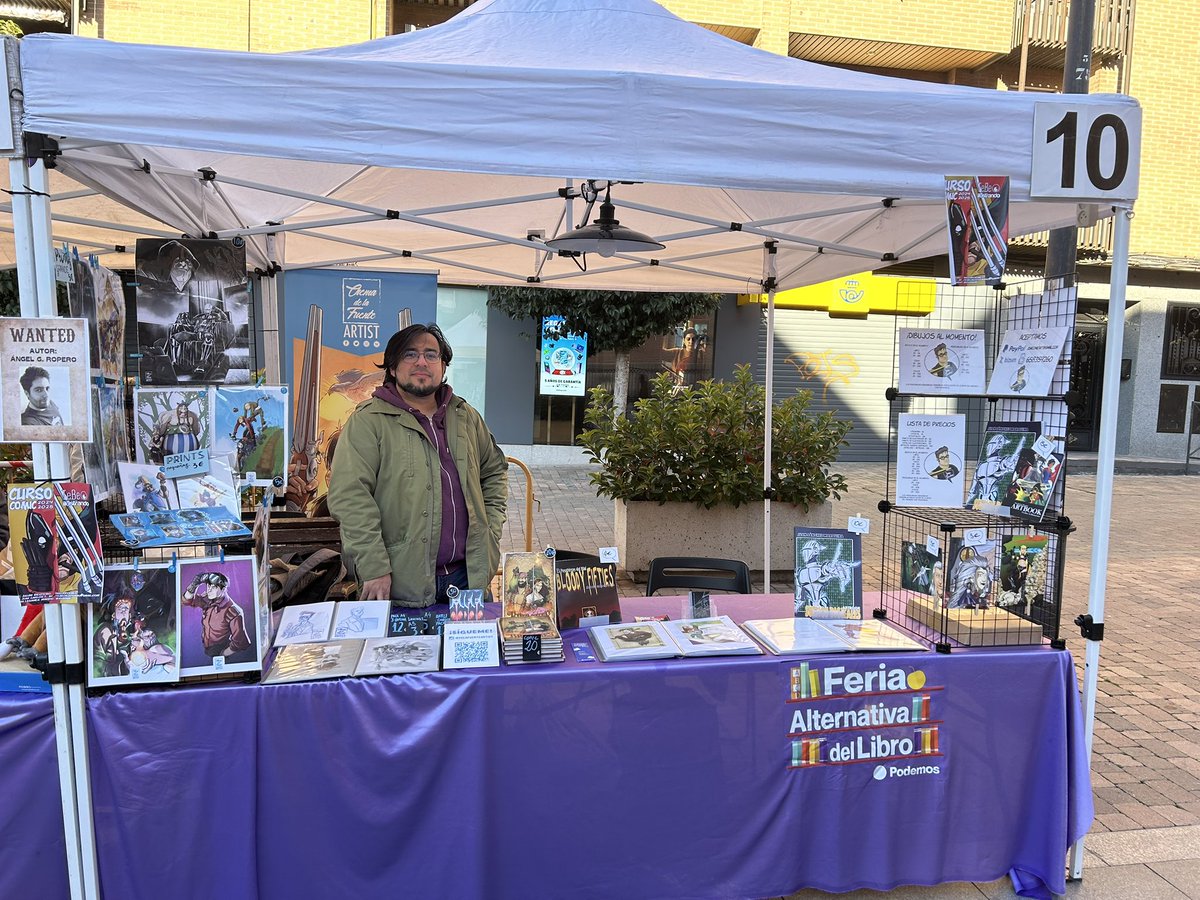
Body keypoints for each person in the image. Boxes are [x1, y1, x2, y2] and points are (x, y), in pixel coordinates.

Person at [328, 323, 508, 607]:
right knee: (404, 653)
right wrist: (374, 565)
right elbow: (350, 497)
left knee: (466, 652)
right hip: (397, 583)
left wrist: (491, 530)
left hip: (468, 580)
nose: (421, 362)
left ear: (443, 366)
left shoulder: (466, 416)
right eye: (410, 354)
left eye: (431, 355)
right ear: (392, 367)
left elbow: (494, 471)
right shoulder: (369, 421)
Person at [181, 571, 252, 659]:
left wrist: (222, 655)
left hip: (222, 653)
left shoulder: (232, 611)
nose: (209, 590)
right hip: (206, 649)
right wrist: (194, 585)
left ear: (223, 589)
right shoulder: (209, 600)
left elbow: (241, 642)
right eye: (208, 586)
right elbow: (187, 601)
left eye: (213, 587)